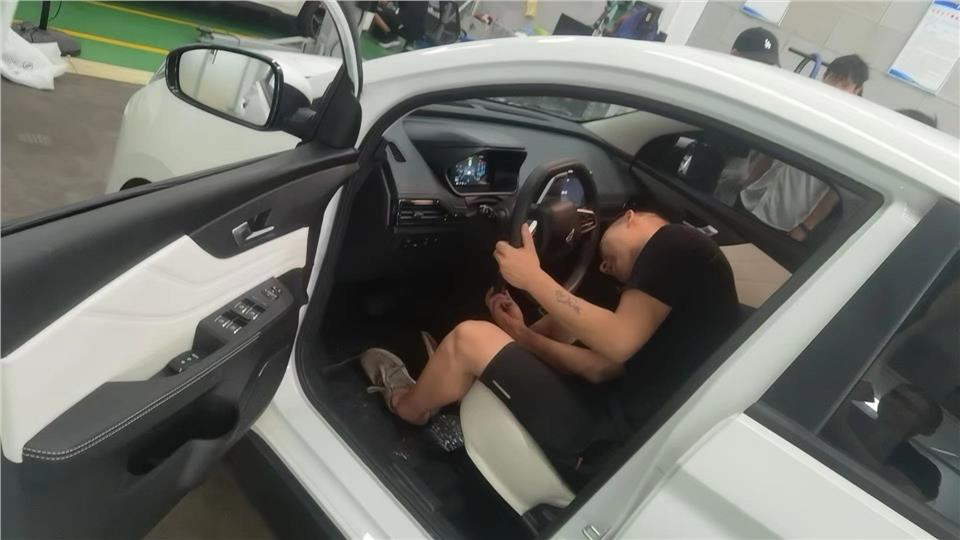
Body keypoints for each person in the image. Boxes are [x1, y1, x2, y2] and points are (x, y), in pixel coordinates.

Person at [361, 210, 740, 484]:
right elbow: (599, 367)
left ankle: (408, 407)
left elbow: (617, 341)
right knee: (538, 331)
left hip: (604, 442)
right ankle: (446, 378)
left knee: (467, 338)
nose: (603, 268)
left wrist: (532, 277)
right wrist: (522, 335)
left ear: (630, 217)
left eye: (605, 261)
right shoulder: (682, 296)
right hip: (622, 440)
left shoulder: (676, 242)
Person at [715, 55, 869, 241]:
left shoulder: (850, 136)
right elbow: (772, 152)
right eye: (834, 78)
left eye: (844, 84)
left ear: (857, 90)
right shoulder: (803, 110)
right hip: (752, 197)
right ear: (825, 75)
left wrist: (806, 227)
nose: (836, 87)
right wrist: (749, 180)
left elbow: (834, 192)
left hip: (785, 218)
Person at [823, 383, 944, 502]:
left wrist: (840, 424)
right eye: (895, 395)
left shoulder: (924, 469)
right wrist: (846, 392)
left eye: (908, 406)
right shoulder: (848, 413)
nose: (896, 403)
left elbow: (898, 501)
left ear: (925, 429)